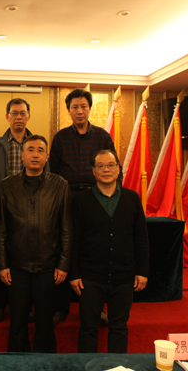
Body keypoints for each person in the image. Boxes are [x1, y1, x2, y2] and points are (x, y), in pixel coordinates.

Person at [49, 88, 120, 325]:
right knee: (65, 249)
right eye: (74, 107)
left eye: (83, 107)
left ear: (90, 109)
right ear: (68, 111)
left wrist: (113, 199)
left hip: (95, 197)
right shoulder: (60, 138)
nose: (79, 111)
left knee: (93, 250)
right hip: (67, 197)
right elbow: (53, 172)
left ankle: (94, 308)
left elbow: (114, 167)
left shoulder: (102, 136)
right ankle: (60, 307)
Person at [0, 135, 71, 353]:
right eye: (30, 150)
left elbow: (66, 228)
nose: (35, 154)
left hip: (48, 266)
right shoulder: (7, 186)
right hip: (16, 266)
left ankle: (44, 364)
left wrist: (63, 264)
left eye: (40, 150)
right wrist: (2, 264)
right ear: (22, 156)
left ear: (47, 156)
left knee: (45, 322)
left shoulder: (60, 185)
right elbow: (1, 230)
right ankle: (17, 363)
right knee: (17, 322)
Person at [69, 149, 149, 353]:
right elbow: (74, 240)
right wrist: (74, 274)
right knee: (88, 327)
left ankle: (117, 366)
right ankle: (86, 366)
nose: (106, 170)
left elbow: (141, 237)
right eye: (101, 166)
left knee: (119, 327)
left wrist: (142, 271)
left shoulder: (132, 198)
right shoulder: (80, 200)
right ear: (93, 171)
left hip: (124, 277)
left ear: (118, 169)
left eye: (111, 165)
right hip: (90, 277)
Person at [0, 98, 37, 322]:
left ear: (28, 117)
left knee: (28, 260)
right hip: (2, 210)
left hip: (31, 212)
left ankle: (27, 306)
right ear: (7, 117)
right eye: (14, 113)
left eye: (22, 113)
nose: (18, 117)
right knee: (0, 258)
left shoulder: (36, 144)